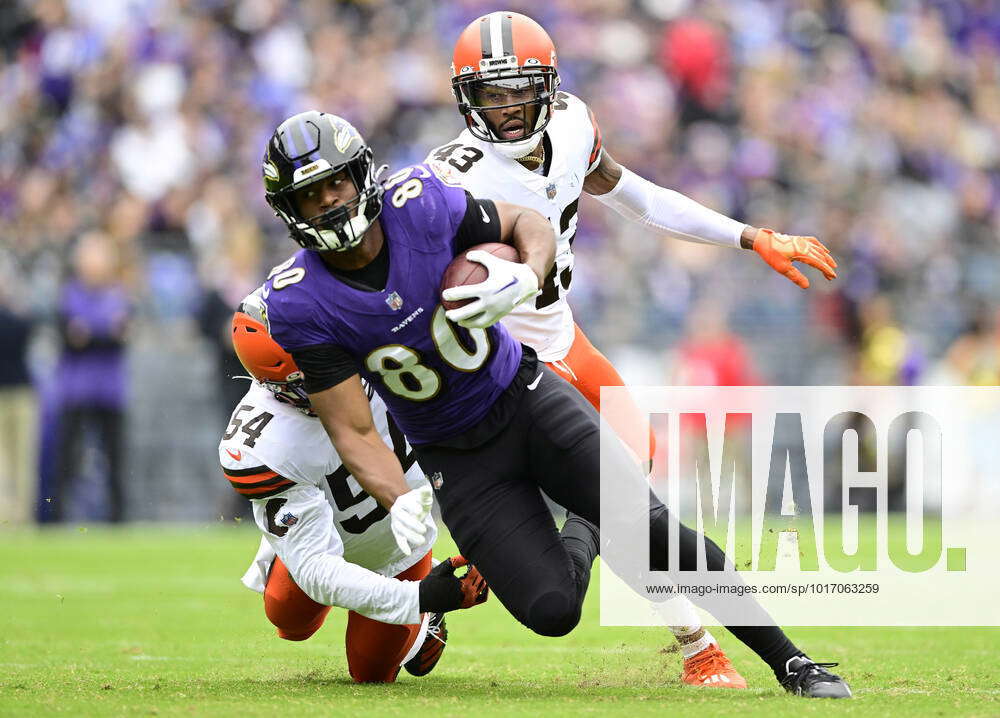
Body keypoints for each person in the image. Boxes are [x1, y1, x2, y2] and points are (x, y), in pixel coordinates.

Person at [258, 110, 851, 698]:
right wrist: (399, 498)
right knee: (553, 609)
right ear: (290, 210)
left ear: (363, 174)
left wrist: (527, 275)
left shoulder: (416, 202)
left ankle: (792, 663)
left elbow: (527, 222)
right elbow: (353, 428)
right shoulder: (299, 301)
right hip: (458, 459)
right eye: (311, 195)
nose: (331, 201)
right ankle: (588, 524)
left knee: (651, 529)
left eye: (337, 181)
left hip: (526, 395)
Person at [425, 11, 838, 688]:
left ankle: (701, 642)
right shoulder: (446, 179)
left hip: (566, 338)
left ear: (549, 86)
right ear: (466, 98)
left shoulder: (571, 125)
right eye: (491, 94)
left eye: (519, 89)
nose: (506, 108)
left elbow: (636, 196)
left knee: (634, 481)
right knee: (616, 502)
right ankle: (695, 642)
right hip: (499, 372)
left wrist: (748, 234)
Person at [220, 289, 488, 683]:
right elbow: (315, 568)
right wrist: (417, 597)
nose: (335, 375)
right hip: (329, 537)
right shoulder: (264, 444)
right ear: (280, 385)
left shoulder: (386, 344)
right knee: (287, 620)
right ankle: (292, 538)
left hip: (400, 544)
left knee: (371, 674)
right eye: (316, 370)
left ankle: (427, 622)